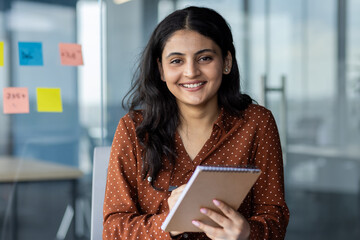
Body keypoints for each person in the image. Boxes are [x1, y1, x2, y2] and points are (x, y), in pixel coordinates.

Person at [103, 6, 289, 240]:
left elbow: (275, 216)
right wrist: (168, 223)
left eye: (204, 58)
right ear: (161, 69)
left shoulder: (257, 123)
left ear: (226, 62)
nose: (191, 72)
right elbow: (112, 229)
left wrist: (247, 233)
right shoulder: (133, 129)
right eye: (176, 61)